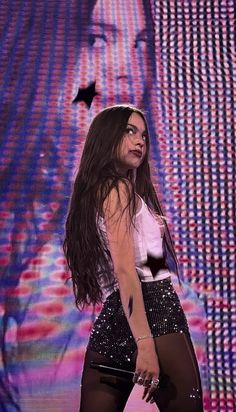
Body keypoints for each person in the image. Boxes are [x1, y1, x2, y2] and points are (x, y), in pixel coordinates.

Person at [64, 104, 203, 412]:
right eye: (130, 131)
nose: (140, 141)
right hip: (154, 311)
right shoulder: (117, 189)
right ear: (107, 136)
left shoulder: (95, 193)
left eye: (144, 134)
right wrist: (145, 344)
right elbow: (126, 272)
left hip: (114, 319)